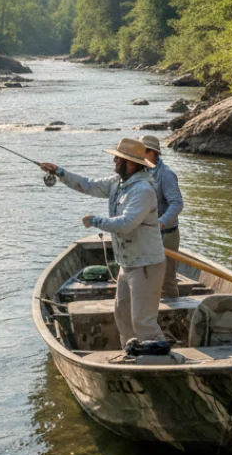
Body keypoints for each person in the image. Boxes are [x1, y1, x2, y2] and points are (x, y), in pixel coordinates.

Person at [39, 138, 168, 345]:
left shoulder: (143, 190)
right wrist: (59, 172)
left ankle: (159, 358)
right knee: (123, 317)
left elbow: (127, 223)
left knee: (143, 322)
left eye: (119, 159)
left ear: (132, 163)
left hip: (146, 265)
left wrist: (95, 221)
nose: (115, 161)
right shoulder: (118, 183)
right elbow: (88, 185)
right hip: (128, 264)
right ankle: (133, 355)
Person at [140, 135, 184, 299]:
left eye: (142, 151)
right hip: (146, 235)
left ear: (152, 153)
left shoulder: (166, 175)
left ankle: (174, 314)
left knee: (167, 279)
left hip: (166, 235)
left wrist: (161, 223)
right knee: (145, 277)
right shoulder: (140, 172)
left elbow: (177, 204)